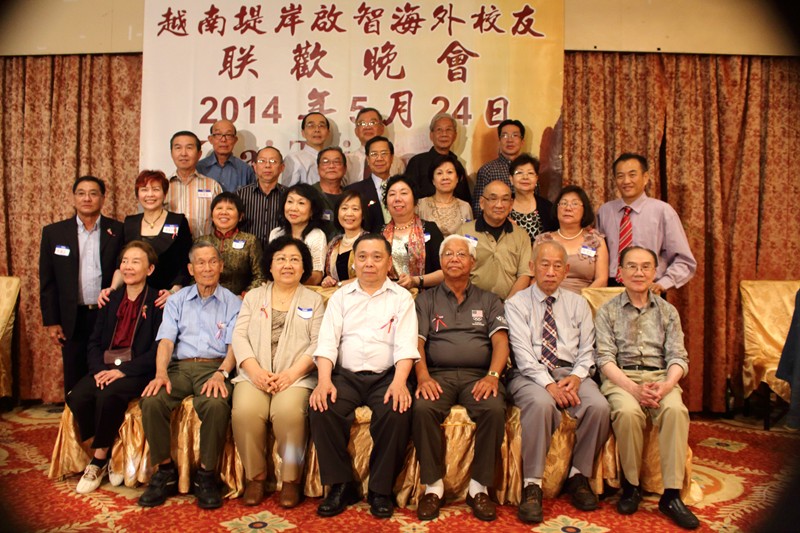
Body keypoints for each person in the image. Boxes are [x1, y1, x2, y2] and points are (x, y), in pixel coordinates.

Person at [309, 234, 419, 519]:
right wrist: (324, 381)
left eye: (377, 257)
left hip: (387, 376)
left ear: (388, 262)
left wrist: (399, 382)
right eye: (362, 257)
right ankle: (340, 485)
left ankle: (380, 490)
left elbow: (406, 345)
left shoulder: (402, 298)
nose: (369, 263)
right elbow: (327, 343)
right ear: (354, 262)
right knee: (322, 407)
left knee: (397, 410)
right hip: (345, 375)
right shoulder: (340, 298)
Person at [595, 246, 699, 530]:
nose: (638, 273)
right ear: (620, 272)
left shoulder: (668, 311)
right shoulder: (607, 311)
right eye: (631, 266)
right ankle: (631, 487)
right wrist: (634, 389)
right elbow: (604, 360)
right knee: (628, 413)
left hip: (661, 377)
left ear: (655, 272)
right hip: (622, 378)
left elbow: (678, 357)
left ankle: (672, 495)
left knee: (676, 411)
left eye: (645, 267)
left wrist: (667, 386)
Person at [506, 241, 610, 524]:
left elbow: (588, 348)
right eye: (544, 264)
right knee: (541, 404)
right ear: (532, 267)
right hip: (530, 374)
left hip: (571, 372)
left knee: (599, 406)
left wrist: (577, 376)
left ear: (566, 270)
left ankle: (579, 476)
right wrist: (548, 384)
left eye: (557, 266)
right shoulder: (515, 304)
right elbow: (522, 354)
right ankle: (532, 485)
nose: (550, 272)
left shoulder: (578, 303)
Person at [138, 241, 242, 509]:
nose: (207, 268)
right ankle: (165, 471)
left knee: (216, 404)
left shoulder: (234, 302)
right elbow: (166, 341)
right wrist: (160, 373)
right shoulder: (177, 300)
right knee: (152, 400)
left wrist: (221, 373)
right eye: (201, 263)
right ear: (191, 269)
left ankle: (206, 475)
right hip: (180, 368)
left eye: (212, 262)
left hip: (214, 367)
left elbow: (234, 346)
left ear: (221, 266)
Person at [413, 235, 509, 522]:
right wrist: (423, 377)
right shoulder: (425, 299)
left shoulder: (489, 299)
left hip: (477, 376)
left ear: (472, 263)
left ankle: (479, 488)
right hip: (437, 375)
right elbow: (417, 343)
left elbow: (501, 343)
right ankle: (434, 487)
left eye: (461, 254)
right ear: (440, 262)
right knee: (422, 408)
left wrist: (493, 376)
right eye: (448, 254)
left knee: (493, 408)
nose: (454, 259)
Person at [231, 236, 324, 508]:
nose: (287, 265)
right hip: (255, 374)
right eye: (280, 259)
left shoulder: (314, 300)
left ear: (304, 267)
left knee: (289, 414)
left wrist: (291, 374)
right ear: (269, 266)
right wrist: (255, 371)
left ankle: (292, 480)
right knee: (245, 411)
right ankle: (255, 477)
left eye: (295, 260)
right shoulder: (254, 297)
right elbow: (239, 336)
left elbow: (318, 343)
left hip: (296, 376)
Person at [66, 241, 163, 493]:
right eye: (125, 262)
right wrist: (98, 369)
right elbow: (94, 342)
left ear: (150, 269)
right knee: (77, 396)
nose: (128, 267)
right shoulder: (110, 299)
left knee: (108, 395)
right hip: (105, 365)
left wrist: (123, 371)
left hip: (136, 369)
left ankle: (98, 460)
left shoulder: (158, 302)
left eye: (136, 262)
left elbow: (158, 348)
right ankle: (111, 449)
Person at [40, 176, 124, 399]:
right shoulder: (54, 233)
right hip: (72, 316)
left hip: (107, 313)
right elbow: (48, 281)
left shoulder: (117, 230)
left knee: (106, 369)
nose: (87, 198)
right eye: (81, 193)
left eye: (93, 193)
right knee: (74, 372)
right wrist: (52, 321)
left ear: (103, 198)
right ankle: (75, 418)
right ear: (73, 197)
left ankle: (102, 416)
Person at [596, 153, 696, 293]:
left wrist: (663, 283)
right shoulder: (605, 211)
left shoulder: (663, 211)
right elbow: (598, 252)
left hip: (649, 286)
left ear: (645, 177)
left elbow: (684, 260)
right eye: (620, 176)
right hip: (611, 287)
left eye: (632, 175)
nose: (626, 181)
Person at [98, 170, 192, 309]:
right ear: (138, 194)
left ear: (165, 193)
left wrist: (173, 292)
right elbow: (120, 264)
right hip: (133, 298)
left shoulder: (178, 221)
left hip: (165, 299)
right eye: (144, 189)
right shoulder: (130, 223)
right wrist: (112, 288)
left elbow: (185, 263)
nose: (150, 194)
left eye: (156, 189)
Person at [457, 180, 532, 300]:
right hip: (471, 303)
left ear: (511, 204)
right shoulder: (464, 232)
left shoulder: (521, 235)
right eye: (493, 199)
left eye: (505, 199)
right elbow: (457, 271)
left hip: (510, 304)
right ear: (482, 203)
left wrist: (509, 304)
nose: (499, 205)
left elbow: (524, 274)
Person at [533, 185, 609, 293]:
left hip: (585, 299)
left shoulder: (596, 241)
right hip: (548, 298)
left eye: (575, 204)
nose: (568, 208)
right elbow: (534, 278)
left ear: (584, 210)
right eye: (563, 203)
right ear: (557, 208)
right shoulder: (542, 241)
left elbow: (601, 280)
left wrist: (579, 300)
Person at [382, 175, 444, 290]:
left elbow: (444, 272)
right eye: (392, 194)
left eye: (404, 193)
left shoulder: (430, 229)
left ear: (415, 199)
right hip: (388, 296)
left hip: (425, 296)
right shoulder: (379, 234)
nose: (397, 198)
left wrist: (416, 281)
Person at [200, 192, 266, 297]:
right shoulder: (201, 241)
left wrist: (243, 296)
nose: (224, 212)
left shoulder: (250, 241)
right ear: (212, 215)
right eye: (219, 208)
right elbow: (193, 276)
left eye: (230, 209)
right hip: (204, 300)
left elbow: (260, 276)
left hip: (240, 301)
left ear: (240, 216)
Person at [165, 130, 223, 237]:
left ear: (199, 154)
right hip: (171, 246)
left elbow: (221, 220)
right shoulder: (162, 186)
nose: (183, 153)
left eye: (189, 148)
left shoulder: (213, 186)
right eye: (178, 148)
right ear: (171, 153)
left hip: (205, 245)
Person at [404, 113, 471, 204]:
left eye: (448, 130)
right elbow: (407, 197)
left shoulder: (457, 165)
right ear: (431, 135)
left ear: (455, 135)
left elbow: (465, 200)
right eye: (439, 130)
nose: (444, 134)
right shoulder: (417, 162)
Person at [268, 184, 328, 285]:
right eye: (290, 201)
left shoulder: (317, 236)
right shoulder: (276, 233)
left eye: (301, 203)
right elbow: (270, 268)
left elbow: (317, 276)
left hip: (303, 290)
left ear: (312, 210)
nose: (293, 208)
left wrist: (288, 282)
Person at [236, 146, 287, 250]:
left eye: (273, 161)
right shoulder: (240, 194)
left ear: (282, 167)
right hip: (246, 253)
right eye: (262, 161)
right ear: (254, 167)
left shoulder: (289, 196)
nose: (267, 165)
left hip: (279, 253)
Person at [473, 119, 526, 217]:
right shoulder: (487, 170)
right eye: (504, 135)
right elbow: (478, 207)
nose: (510, 140)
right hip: (496, 223)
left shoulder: (529, 171)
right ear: (499, 140)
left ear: (522, 141)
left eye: (515, 135)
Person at [345, 135, 395, 233]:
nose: (379, 158)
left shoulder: (403, 187)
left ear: (392, 158)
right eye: (374, 154)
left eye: (384, 153)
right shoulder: (354, 191)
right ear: (368, 159)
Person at [416, 153, 473, 237]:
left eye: (449, 172)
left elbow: (470, 240)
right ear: (433, 180)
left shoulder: (465, 207)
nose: (445, 177)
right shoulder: (421, 205)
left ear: (457, 178)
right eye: (439, 173)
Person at [344, 108, 405, 186]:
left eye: (372, 122)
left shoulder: (396, 163)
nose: (367, 127)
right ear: (356, 131)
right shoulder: (346, 161)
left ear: (382, 128)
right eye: (362, 123)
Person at [321, 191, 369, 288]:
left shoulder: (370, 242)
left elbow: (372, 276)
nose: (349, 213)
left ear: (363, 214)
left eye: (355, 209)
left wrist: (340, 284)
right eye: (344, 208)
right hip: (336, 296)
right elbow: (329, 276)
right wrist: (328, 280)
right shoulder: (333, 243)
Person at [197, 119, 256, 192]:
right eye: (218, 134)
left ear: (235, 140)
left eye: (228, 135)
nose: (223, 140)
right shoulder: (198, 168)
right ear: (211, 139)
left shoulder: (245, 170)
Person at [508, 154, 556, 242]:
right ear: (511, 179)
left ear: (536, 178)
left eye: (530, 173)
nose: (525, 177)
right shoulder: (503, 204)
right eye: (519, 173)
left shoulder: (547, 207)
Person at [282, 112, 330, 186]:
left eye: (321, 125)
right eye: (311, 126)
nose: (317, 130)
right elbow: (288, 190)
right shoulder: (293, 159)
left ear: (328, 132)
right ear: (303, 133)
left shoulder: (335, 159)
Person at [313, 146, 347, 216]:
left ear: (345, 169)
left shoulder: (350, 196)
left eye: (336, 162)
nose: (331, 166)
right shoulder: (308, 194)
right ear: (318, 168)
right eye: (325, 162)